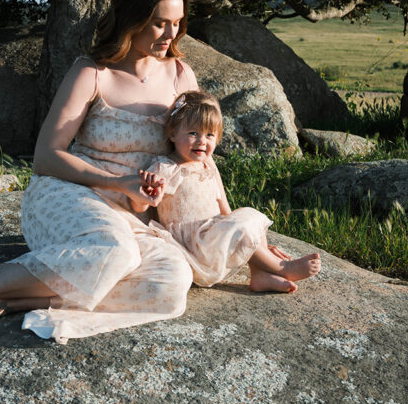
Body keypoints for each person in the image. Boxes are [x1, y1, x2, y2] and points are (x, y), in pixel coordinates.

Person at [0, 0, 319, 352]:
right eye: (160, 22)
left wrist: (250, 240)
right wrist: (116, 183)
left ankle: (12, 301)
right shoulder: (91, 72)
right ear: (131, 17)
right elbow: (46, 158)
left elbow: (198, 160)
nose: (170, 33)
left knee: (170, 283)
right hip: (71, 194)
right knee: (116, 251)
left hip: (138, 213)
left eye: (177, 22)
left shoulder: (180, 76)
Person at [135, 90, 321, 292]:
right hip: (195, 245)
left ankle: (259, 273)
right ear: (173, 134)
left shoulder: (208, 165)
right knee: (240, 225)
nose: (201, 141)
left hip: (215, 236)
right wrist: (147, 195)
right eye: (192, 133)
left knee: (249, 218)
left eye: (209, 135)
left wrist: (255, 243)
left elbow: (224, 206)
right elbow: (142, 204)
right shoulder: (165, 168)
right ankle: (283, 267)